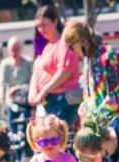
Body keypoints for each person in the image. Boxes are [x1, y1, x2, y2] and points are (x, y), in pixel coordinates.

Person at [29, 5, 81, 133]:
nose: (41, 29)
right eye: (38, 26)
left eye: (44, 25)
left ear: (55, 21)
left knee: (61, 137)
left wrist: (43, 92)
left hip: (64, 100)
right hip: (50, 101)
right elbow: (38, 71)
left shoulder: (64, 43)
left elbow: (65, 72)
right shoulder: (48, 47)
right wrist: (34, 92)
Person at [63, 22, 119, 120]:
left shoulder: (108, 56)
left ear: (82, 41)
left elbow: (117, 92)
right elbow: (89, 92)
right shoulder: (88, 59)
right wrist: (85, 106)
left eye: (71, 46)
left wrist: (98, 114)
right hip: (96, 120)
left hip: (112, 120)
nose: (72, 51)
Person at [0, 36, 33, 119]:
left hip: (26, 102)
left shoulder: (29, 63)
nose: (14, 53)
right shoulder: (5, 64)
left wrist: (18, 88)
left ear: (21, 49)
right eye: (12, 50)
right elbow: (1, 83)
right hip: (11, 102)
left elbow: (32, 83)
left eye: (16, 50)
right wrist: (1, 96)